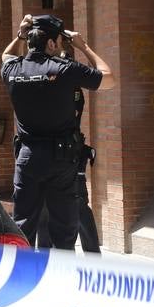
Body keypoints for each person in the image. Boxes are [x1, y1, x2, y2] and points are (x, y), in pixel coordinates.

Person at [2, 14, 112, 250]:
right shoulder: (64, 69)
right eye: (59, 42)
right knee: (63, 227)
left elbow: (6, 55)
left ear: (29, 40)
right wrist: (84, 46)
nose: (60, 46)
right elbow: (108, 79)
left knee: (22, 224)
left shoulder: (12, 69)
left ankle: (24, 279)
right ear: (51, 44)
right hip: (60, 160)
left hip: (27, 157)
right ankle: (62, 279)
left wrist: (20, 35)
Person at [36, 79, 102, 255]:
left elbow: (71, 115)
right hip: (44, 156)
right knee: (44, 210)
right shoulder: (41, 88)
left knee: (78, 206)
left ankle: (93, 258)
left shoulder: (70, 89)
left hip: (67, 155)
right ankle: (46, 259)